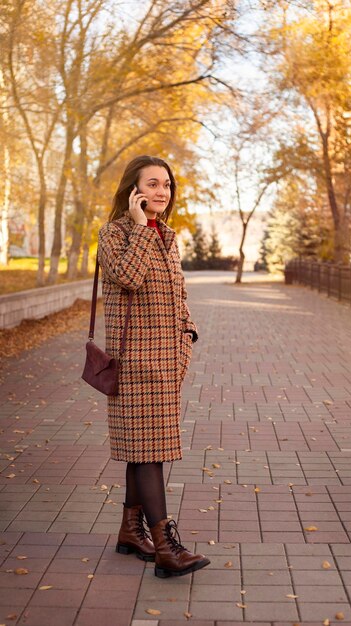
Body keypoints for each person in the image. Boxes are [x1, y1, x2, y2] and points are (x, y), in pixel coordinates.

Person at [97, 155, 210, 578]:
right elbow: (128, 276)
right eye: (152, 184)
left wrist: (187, 337)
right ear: (133, 190)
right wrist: (141, 229)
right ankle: (165, 546)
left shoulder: (168, 235)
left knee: (143, 449)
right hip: (135, 364)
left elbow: (178, 293)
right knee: (151, 453)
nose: (161, 191)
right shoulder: (114, 234)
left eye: (166, 184)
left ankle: (131, 531)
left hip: (167, 360)